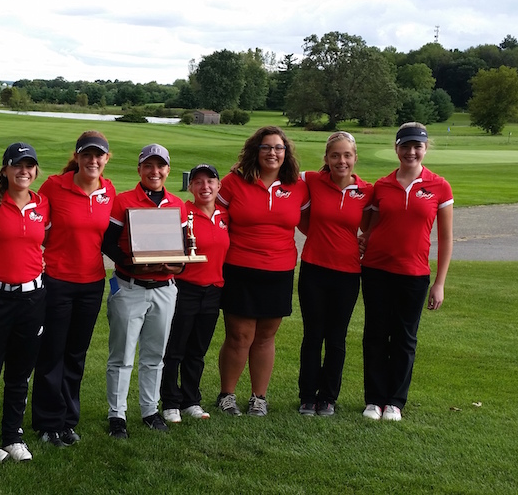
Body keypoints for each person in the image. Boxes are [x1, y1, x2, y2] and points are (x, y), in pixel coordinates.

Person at [359, 122, 454, 422]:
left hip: (413, 274)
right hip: (376, 270)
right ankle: (374, 400)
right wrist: (363, 239)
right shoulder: (382, 186)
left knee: (404, 338)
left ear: (425, 149)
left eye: (417, 146)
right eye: (405, 146)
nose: (411, 152)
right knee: (375, 335)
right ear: (396, 148)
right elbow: (368, 227)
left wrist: (439, 283)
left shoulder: (440, 186)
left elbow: (447, 238)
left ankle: (395, 402)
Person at [215, 125, 308, 417]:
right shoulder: (232, 183)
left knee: (266, 337)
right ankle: (227, 395)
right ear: (255, 151)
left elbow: (308, 224)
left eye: (278, 148)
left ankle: (259, 397)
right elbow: (215, 222)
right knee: (239, 336)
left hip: (279, 270)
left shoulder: (297, 186)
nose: (273, 153)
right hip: (240, 268)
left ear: (286, 153)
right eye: (266, 147)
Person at [31, 131, 116, 447]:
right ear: (77, 157)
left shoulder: (109, 191)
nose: (93, 161)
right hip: (56, 281)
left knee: (76, 355)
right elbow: (33, 223)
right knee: (52, 354)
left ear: (106, 159)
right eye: (87, 155)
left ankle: (67, 420)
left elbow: (110, 238)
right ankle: (47, 423)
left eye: (99, 156)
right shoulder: (55, 186)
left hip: (92, 284)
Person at [0, 142, 50, 461]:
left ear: (35, 170)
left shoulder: (42, 205)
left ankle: (13, 435)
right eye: (17, 165)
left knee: (20, 372)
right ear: (5, 170)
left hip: (32, 298)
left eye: (29, 165)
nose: (24, 171)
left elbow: (45, 243)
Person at [102, 143, 186, 438]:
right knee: (122, 355)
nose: (154, 171)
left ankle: (150, 410)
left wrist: (178, 265)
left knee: (155, 354)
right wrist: (132, 264)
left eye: (160, 166)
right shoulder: (123, 200)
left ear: (168, 170)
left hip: (165, 289)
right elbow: (109, 243)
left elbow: (185, 249)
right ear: (139, 169)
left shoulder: (178, 204)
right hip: (130, 287)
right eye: (148, 166)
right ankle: (117, 414)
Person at [296, 132, 373, 417]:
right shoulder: (313, 180)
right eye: (335, 155)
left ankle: (328, 397)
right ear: (327, 159)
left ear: (355, 158)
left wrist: (365, 239)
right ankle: (307, 396)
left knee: (336, 338)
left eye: (347, 155)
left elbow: (377, 222)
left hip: (348, 273)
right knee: (313, 336)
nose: (342, 160)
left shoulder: (367, 191)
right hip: (314, 269)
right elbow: (282, 168)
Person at [159, 164, 229, 424]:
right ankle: (170, 401)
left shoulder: (225, 216)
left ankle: (191, 399)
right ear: (191, 187)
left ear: (218, 186)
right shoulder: (181, 212)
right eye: (198, 182)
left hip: (213, 290)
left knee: (197, 350)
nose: (205, 187)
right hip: (185, 289)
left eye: (210, 181)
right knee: (175, 349)